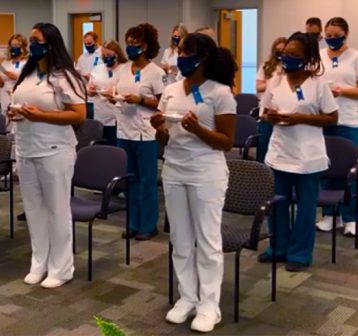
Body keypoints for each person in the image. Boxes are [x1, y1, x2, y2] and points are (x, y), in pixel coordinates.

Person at [151, 33, 237, 333]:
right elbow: (164, 137)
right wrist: (158, 127)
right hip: (174, 169)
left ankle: (209, 305)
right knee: (181, 240)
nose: (181, 57)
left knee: (208, 241)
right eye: (180, 51)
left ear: (202, 59)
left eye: (187, 52)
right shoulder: (172, 89)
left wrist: (197, 128)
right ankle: (187, 297)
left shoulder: (220, 92)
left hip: (206, 173)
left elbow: (226, 142)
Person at [9, 22, 86, 289]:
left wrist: (41, 115)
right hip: (26, 148)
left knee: (57, 209)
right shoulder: (28, 74)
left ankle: (62, 267)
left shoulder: (65, 75)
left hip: (55, 150)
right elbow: (22, 104)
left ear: (51, 43)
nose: (30, 45)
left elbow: (78, 114)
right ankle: (39, 262)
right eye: (30, 40)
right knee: (33, 209)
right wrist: (15, 112)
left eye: (36, 40)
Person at [257, 32, 339, 272]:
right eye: (286, 53)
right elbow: (263, 112)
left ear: (307, 58)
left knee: (305, 208)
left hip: (308, 157)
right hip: (280, 153)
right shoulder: (276, 80)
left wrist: (300, 118)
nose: (287, 58)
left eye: (294, 54)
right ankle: (278, 248)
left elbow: (332, 117)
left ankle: (300, 253)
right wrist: (270, 117)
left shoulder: (318, 84)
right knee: (277, 205)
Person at [315, 17, 358, 236]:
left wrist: (343, 91)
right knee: (325, 166)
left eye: (336, 35)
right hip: (323, 117)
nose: (332, 39)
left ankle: (351, 217)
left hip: (348, 118)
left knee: (346, 169)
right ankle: (330, 215)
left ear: (345, 34)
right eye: (328, 35)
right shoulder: (319, 56)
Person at [115, 23, 165, 241]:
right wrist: (112, 96)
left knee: (146, 180)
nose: (130, 47)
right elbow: (117, 91)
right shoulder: (123, 69)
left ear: (145, 46)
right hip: (124, 130)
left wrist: (142, 99)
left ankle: (148, 224)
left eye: (134, 43)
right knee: (131, 180)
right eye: (128, 43)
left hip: (145, 132)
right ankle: (133, 223)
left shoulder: (156, 73)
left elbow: (163, 104)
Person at [255, 37, 287, 163]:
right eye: (278, 51)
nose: (281, 53)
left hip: (283, 111)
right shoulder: (267, 66)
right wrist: (273, 83)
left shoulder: (291, 68)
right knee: (264, 144)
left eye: (283, 50)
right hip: (267, 110)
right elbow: (258, 87)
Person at [91, 40, 127, 145]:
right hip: (99, 115)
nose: (105, 57)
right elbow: (90, 88)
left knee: (115, 149)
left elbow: (130, 90)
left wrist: (114, 92)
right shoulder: (98, 69)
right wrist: (90, 90)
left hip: (117, 116)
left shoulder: (125, 68)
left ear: (117, 54)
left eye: (109, 55)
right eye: (103, 55)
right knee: (100, 149)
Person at [0, 34, 28, 112]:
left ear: (22, 47)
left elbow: (16, 77)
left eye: (15, 45)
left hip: (19, 94)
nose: (12, 48)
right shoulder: (6, 62)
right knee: (5, 117)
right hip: (5, 95)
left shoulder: (26, 62)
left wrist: (2, 69)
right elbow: (1, 84)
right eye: (11, 46)